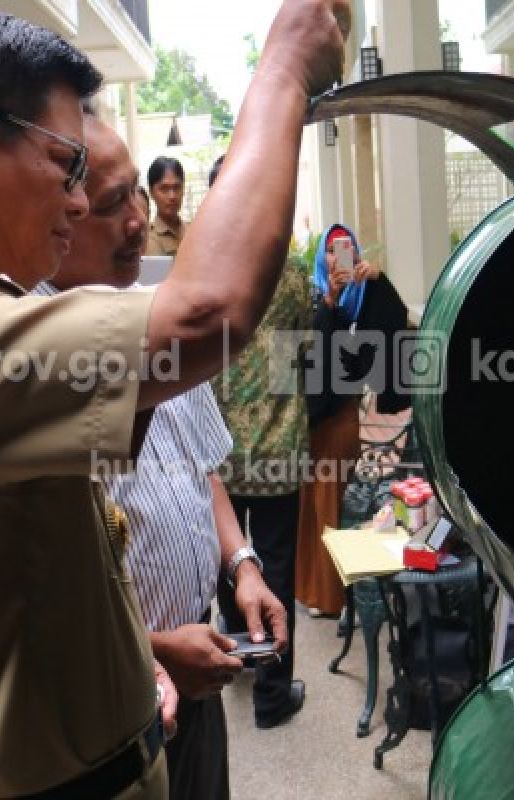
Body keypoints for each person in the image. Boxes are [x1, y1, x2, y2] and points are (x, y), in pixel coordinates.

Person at [0, 5, 348, 798]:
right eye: (68, 167)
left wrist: (143, 645)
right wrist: (283, 66)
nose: (78, 207)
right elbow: (209, 314)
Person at [33, 114, 290, 798]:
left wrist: (242, 568)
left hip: (197, 669)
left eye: (138, 201)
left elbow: (201, 466)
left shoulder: (156, 320)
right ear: (62, 214)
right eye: (114, 203)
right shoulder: (26, 356)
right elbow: (30, 599)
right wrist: (149, 647)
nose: (136, 222)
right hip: (111, 695)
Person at [212, 151, 312, 728]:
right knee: (274, 564)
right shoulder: (288, 271)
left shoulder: (210, 268)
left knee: (232, 560)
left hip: (222, 449)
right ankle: (273, 695)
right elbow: (303, 343)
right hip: (277, 447)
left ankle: (239, 660)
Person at [296, 223, 408, 618]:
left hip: (342, 417)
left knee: (332, 501)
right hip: (314, 419)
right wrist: (329, 300)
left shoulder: (363, 298)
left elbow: (393, 326)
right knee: (316, 503)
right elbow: (310, 349)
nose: (337, 258)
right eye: (331, 251)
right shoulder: (313, 297)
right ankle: (316, 590)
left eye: (345, 250)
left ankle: (330, 594)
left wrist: (378, 281)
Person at [144, 156, 186, 256]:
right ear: (151, 192)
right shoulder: (145, 239)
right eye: (164, 189)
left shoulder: (194, 232)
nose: (172, 196)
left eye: (177, 187)